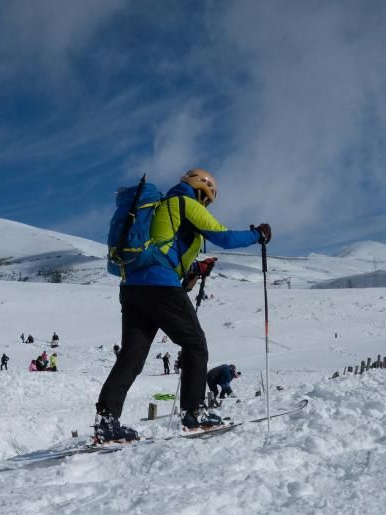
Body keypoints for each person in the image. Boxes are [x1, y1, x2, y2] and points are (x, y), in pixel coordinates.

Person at [94, 167, 271, 440]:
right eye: (207, 199)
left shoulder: (161, 209)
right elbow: (224, 237)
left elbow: (164, 250)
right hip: (160, 287)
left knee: (132, 355)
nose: (206, 204)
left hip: (131, 289)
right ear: (201, 190)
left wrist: (193, 270)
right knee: (195, 344)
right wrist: (257, 234)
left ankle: (107, 420)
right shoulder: (184, 202)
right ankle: (194, 412)